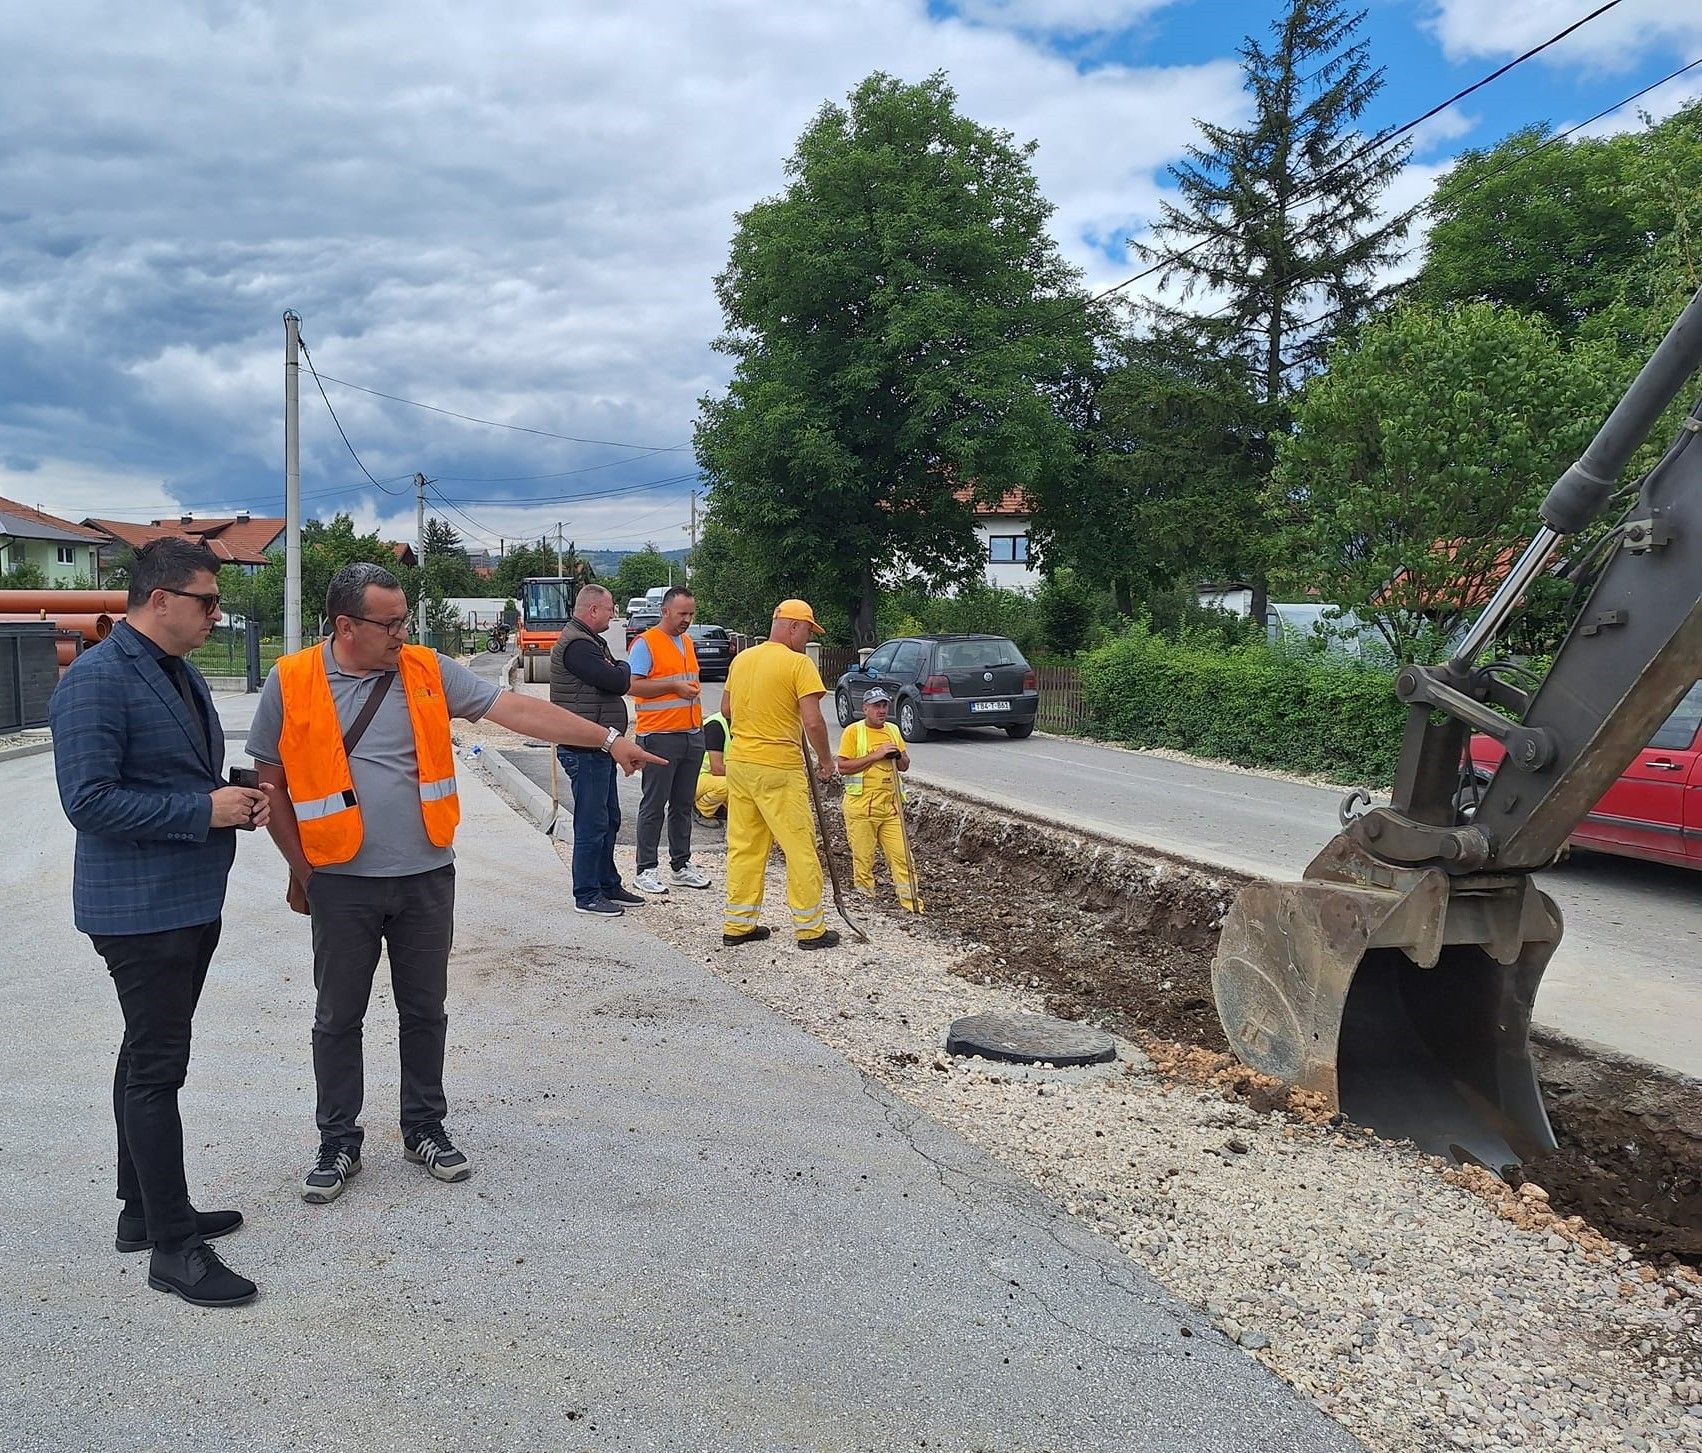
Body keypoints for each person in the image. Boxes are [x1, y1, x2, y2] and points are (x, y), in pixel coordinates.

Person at [251, 563, 659, 1206]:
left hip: (425, 877)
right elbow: (269, 781)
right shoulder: (292, 679)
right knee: (337, 1018)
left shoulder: (425, 669)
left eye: (404, 620)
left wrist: (607, 740)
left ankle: (423, 1127)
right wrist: (306, 873)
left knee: (424, 1011)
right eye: (390, 623)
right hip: (341, 881)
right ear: (346, 626)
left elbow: (518, 710)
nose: (402, 633)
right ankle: (337, 1139)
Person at [49, 536, 270, 1308]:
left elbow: (175, 774)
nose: (217, 614)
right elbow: (88, 801)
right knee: (156, 1069)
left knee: (143, 1053)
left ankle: (142, 1211)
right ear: (162, 598)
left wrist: (229, 801)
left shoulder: (178, 669)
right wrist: (203, 810)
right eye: (208, 600)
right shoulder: (96, 680)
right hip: (140, 910)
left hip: (186, 897)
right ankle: (175, 1248)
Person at [720, 600, 839, 949]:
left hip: (740, 764)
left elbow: (727, 709)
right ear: (793, 626)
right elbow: (813, 722)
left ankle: (738, 924)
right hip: (779, 767)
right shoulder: (798, 664)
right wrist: (826, 760)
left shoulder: (743, 659)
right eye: (808, 631)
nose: (807, 639)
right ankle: (810, 929)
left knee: (745, 845)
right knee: (799, 846)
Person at [548, 583, 646, 917]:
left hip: (599, 748)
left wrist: (618, 668)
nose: (613, 614)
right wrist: (622, 669)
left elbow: (616, 672)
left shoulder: (590, 641)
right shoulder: (578, 646)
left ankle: (607, 883)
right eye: (609, 609)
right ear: (592, 610)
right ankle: (587, 894)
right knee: (592, 823)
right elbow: (619, 679)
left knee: (609, 818)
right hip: (584, 747)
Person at [627, 585, 711, 894]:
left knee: (683, 804)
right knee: (654, 804)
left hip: (691, 734)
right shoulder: (646, 643)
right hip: (659, 736)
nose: (687, 619)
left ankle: (681, 864)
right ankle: (646, 868)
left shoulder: (686, 642)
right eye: (681, 613)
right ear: (665, 611)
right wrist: (673, 687)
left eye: (691, 613)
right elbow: (632, 685)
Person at [834, 687, 923, 912]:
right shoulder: (854, 732)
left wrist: (899, 756)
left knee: (903, 858)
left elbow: (904, 766)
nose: (881, 710)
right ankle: (866, 908)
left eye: (884, 705)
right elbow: (843, 767)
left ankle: (912, 907)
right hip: (861, 808)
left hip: (890, 808)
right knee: (864, 861)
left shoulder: (893, 730)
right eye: (876, 706)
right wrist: (876, 755)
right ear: (865, 708)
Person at [694, 709, 728, 825]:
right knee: (728, 785)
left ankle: (719, 808)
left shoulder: (740, 724)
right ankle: (702, 809)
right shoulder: (716, 726)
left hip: (713, 778)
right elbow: (717, 769)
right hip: (695, 779)